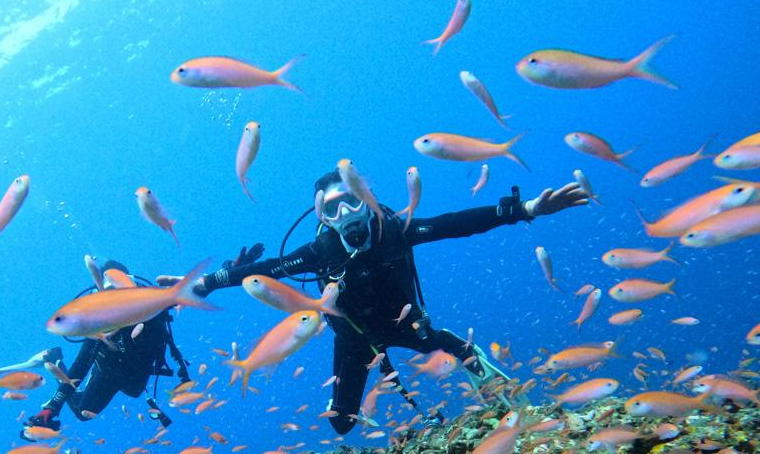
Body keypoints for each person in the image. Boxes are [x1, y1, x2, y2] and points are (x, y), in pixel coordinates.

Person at [183, 171, 588, 433]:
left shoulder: (393, 229)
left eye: (352, 200)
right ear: (322, 218)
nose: (345, 213)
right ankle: (344, 396)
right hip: (355, 339)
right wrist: (207, 281)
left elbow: (455, 224)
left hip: (406, 323)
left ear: (367, 198)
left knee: (450, 349)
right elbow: (268, 269)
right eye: (332, 208)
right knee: (341, 425)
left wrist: (525, 208)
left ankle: (483, 375)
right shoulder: (318, 251)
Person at [21, 260, 194, 439]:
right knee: (83, 413)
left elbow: (169, 339)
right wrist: (53, 407)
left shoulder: (151, 309)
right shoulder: (100, 321)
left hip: (138, 373)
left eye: (121, 291)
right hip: (108, 370)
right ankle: (55, 360)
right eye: (110, 295)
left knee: (134, 391)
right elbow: (80, 366)